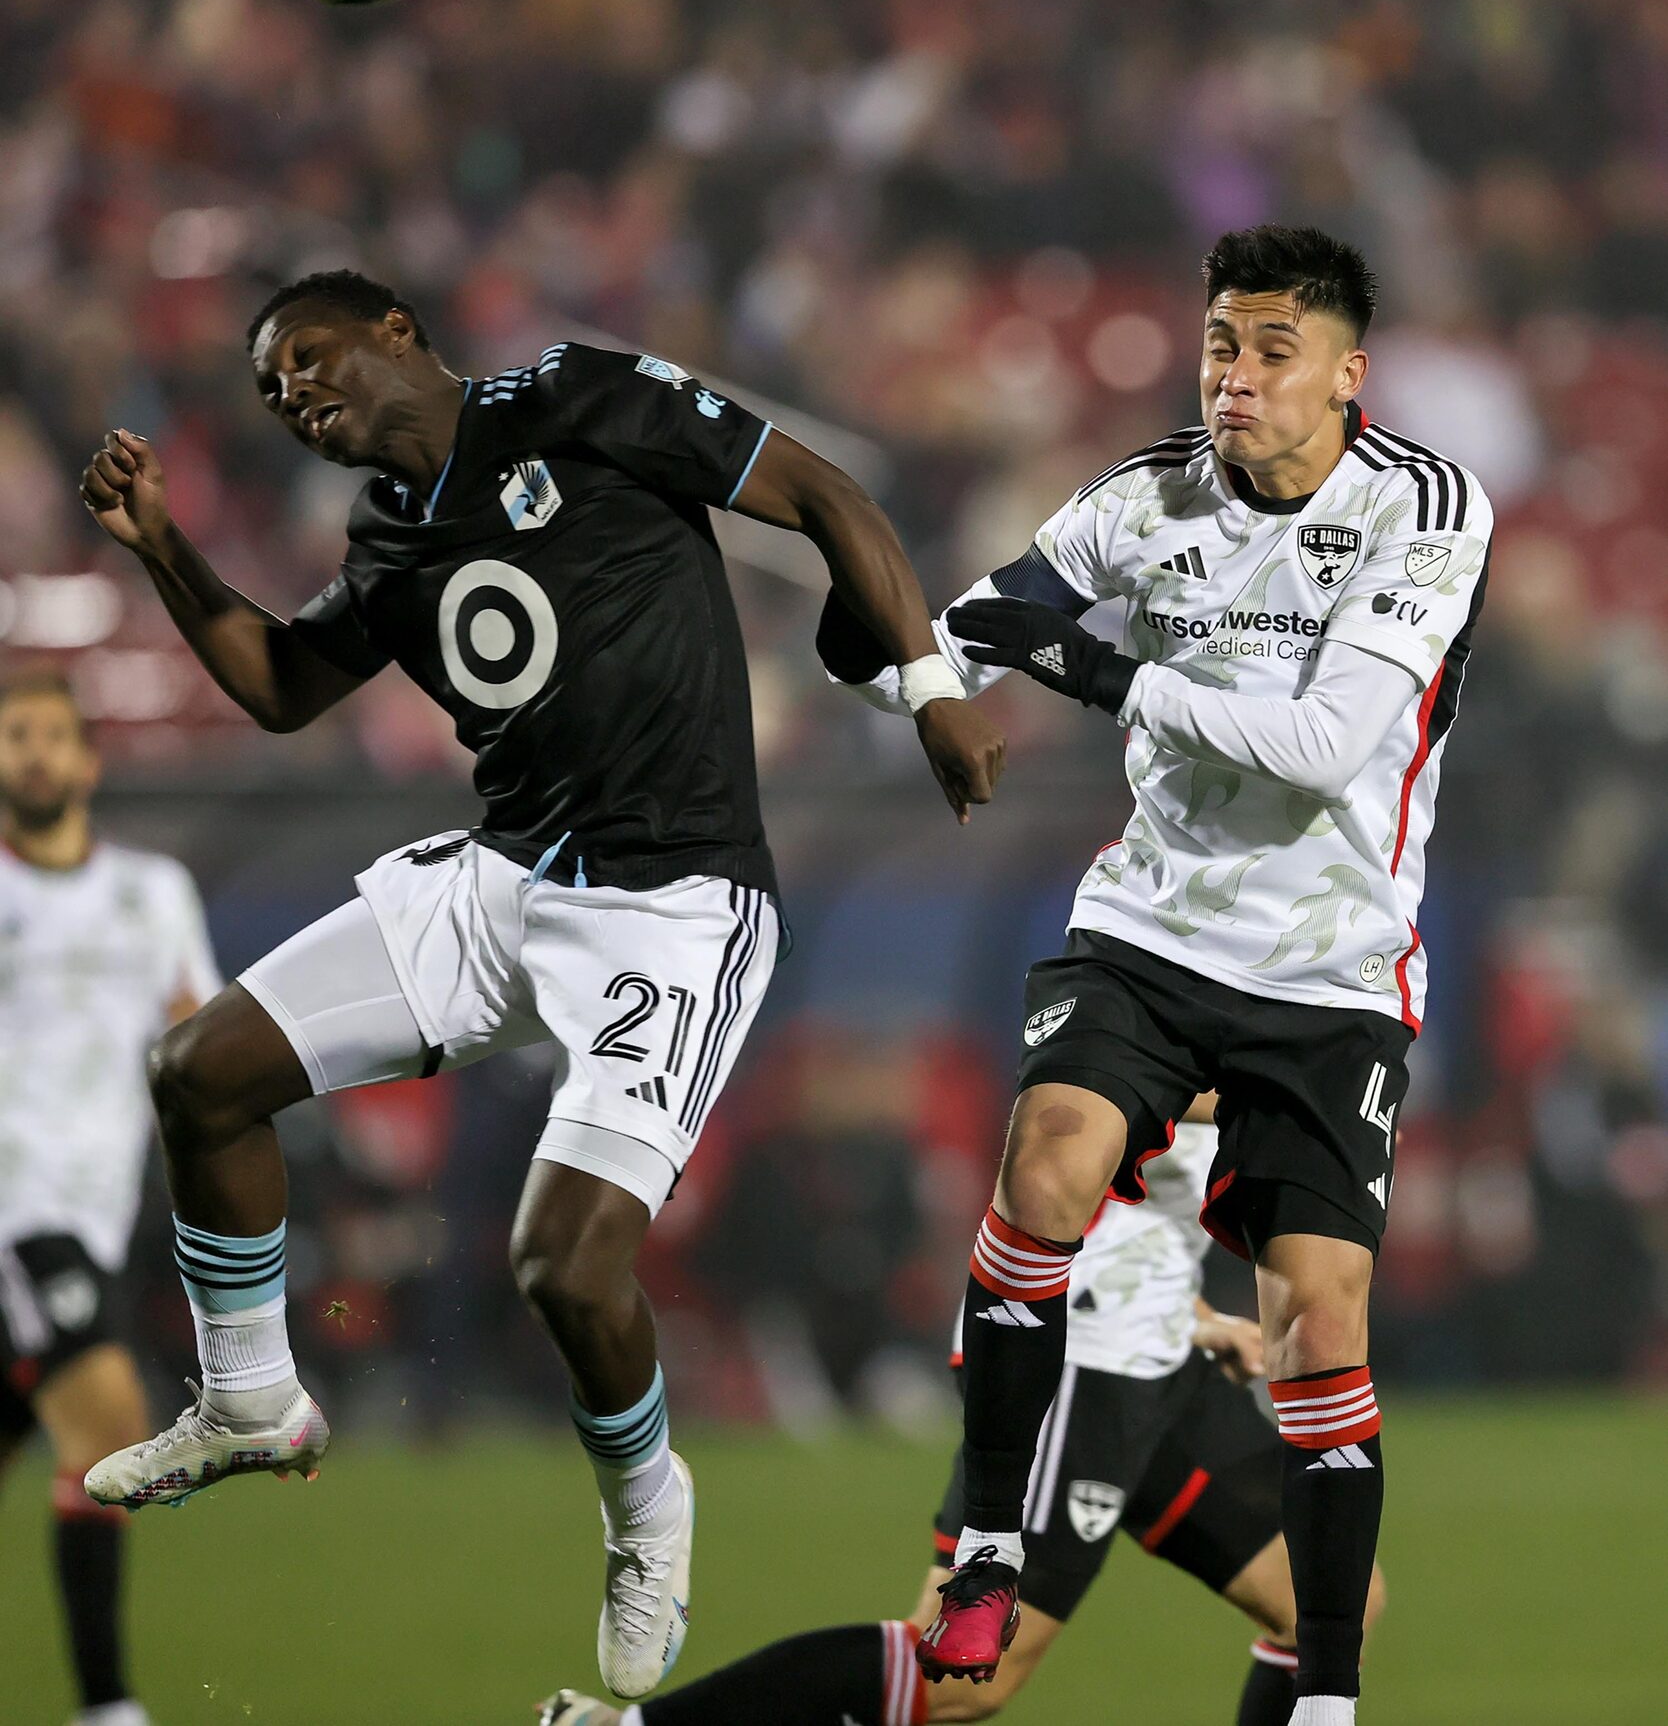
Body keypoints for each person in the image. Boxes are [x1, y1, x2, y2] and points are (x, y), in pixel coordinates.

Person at [76, 270, 1004, 1700]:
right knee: (201, 1068)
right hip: (504, 880)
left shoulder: (584, 401)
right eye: (272, 389)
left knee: (561, 1266)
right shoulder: (390, 532)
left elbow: (828, 496)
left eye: (309, 357)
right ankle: (253, 1395)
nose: (296, 395)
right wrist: (165, 548)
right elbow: (280, 684)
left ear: (397, 330)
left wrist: (933, 691)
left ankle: (648, 1512)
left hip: (676, 902)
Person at [819, 226, 1490, 1724]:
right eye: (1219, 346)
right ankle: (989, 1537)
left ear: (1346, 373)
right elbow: (962, 640)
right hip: (1154, 930)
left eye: (1270, 352)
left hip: (1332, 966)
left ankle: (1324, 1694)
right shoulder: (1144, 495)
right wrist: (892, 652)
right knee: (1046, 1165)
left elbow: (1326, 750)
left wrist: (1096, 669)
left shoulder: (1428, 507)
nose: (1234, 378)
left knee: (1321, 1319)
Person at [541, 1118, 1386, 1726]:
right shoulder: (1166, 1003)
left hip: (1159, 1357)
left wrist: (1196, 1315)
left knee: (1330, 1604)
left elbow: (1136, 1221)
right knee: (959, 1681)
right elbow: (1074, 1151)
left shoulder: (1259, 1002)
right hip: (1078, 1370)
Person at [0, 671, 219, 1726]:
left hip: (97, 1210)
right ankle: (109, 1710)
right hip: (14, 1211)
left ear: (89, 761)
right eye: (15, 737)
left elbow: (196, 1038)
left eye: (52, 737)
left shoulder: (155, 891)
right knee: (110, 1422)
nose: (34, 754)